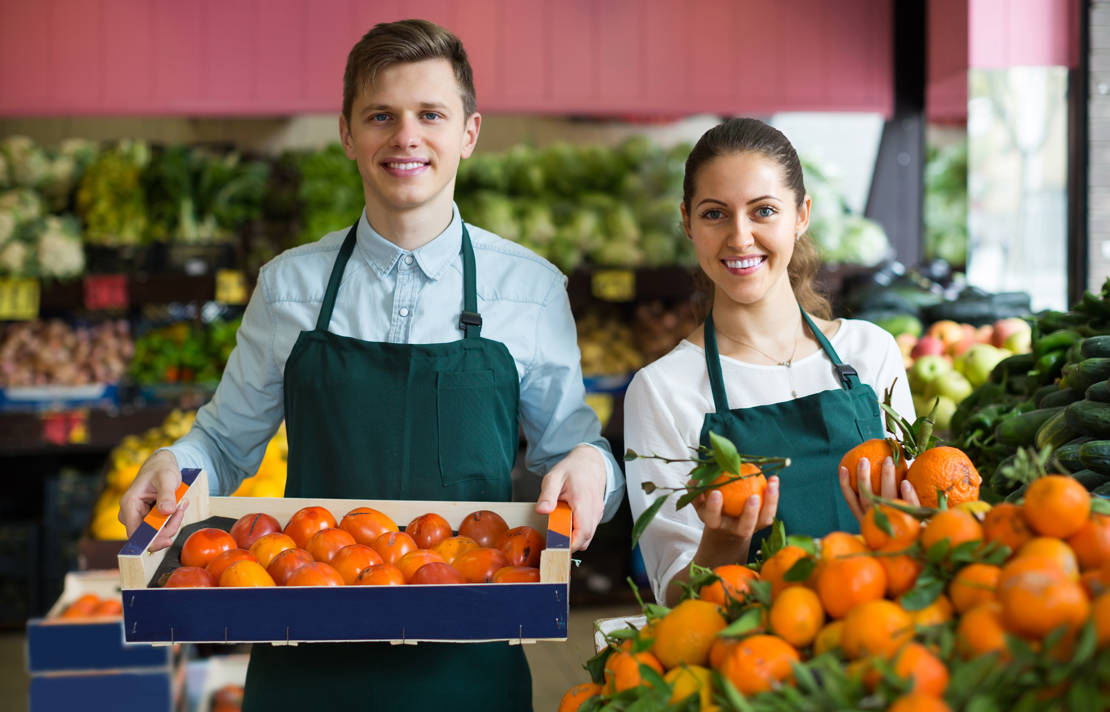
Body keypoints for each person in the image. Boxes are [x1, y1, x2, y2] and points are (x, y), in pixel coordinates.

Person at [118, 19, 623, 710]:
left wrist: (593, 468)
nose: (406, 136)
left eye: (431, 115)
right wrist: (175, 463)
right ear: (348, 133)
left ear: (469, 133)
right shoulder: (288, 286)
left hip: (466, 658)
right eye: (381, 115)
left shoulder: (529, 289)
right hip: (304, 639)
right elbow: (225, 442)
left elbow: (573, 451)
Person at [624, 118, 916, 606]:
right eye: (715, 214)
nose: (740, 237)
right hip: (755, 660)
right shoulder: (662, 389)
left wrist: (899, 523)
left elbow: (919, 527)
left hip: (876, 637)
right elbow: (673, 599)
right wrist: (725, 541)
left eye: (763, 211)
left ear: (801, 215)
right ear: (687, 223)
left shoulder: (871, 353)